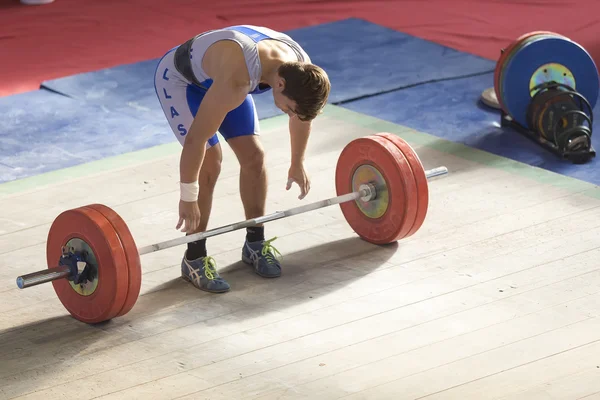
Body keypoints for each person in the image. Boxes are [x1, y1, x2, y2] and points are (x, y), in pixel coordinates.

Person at [153, 25, 331, 293]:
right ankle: (194, 257)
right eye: (289, 109)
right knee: (211, 160)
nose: (289, 114)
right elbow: (194, 142)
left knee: (255, 157)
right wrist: (187, 197)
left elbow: (302, 116)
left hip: (222, 76)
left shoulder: (301, 69)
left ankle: (254, 244)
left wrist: (297, 162)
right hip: (183, 82)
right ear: (280, 84)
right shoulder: (238, 79)